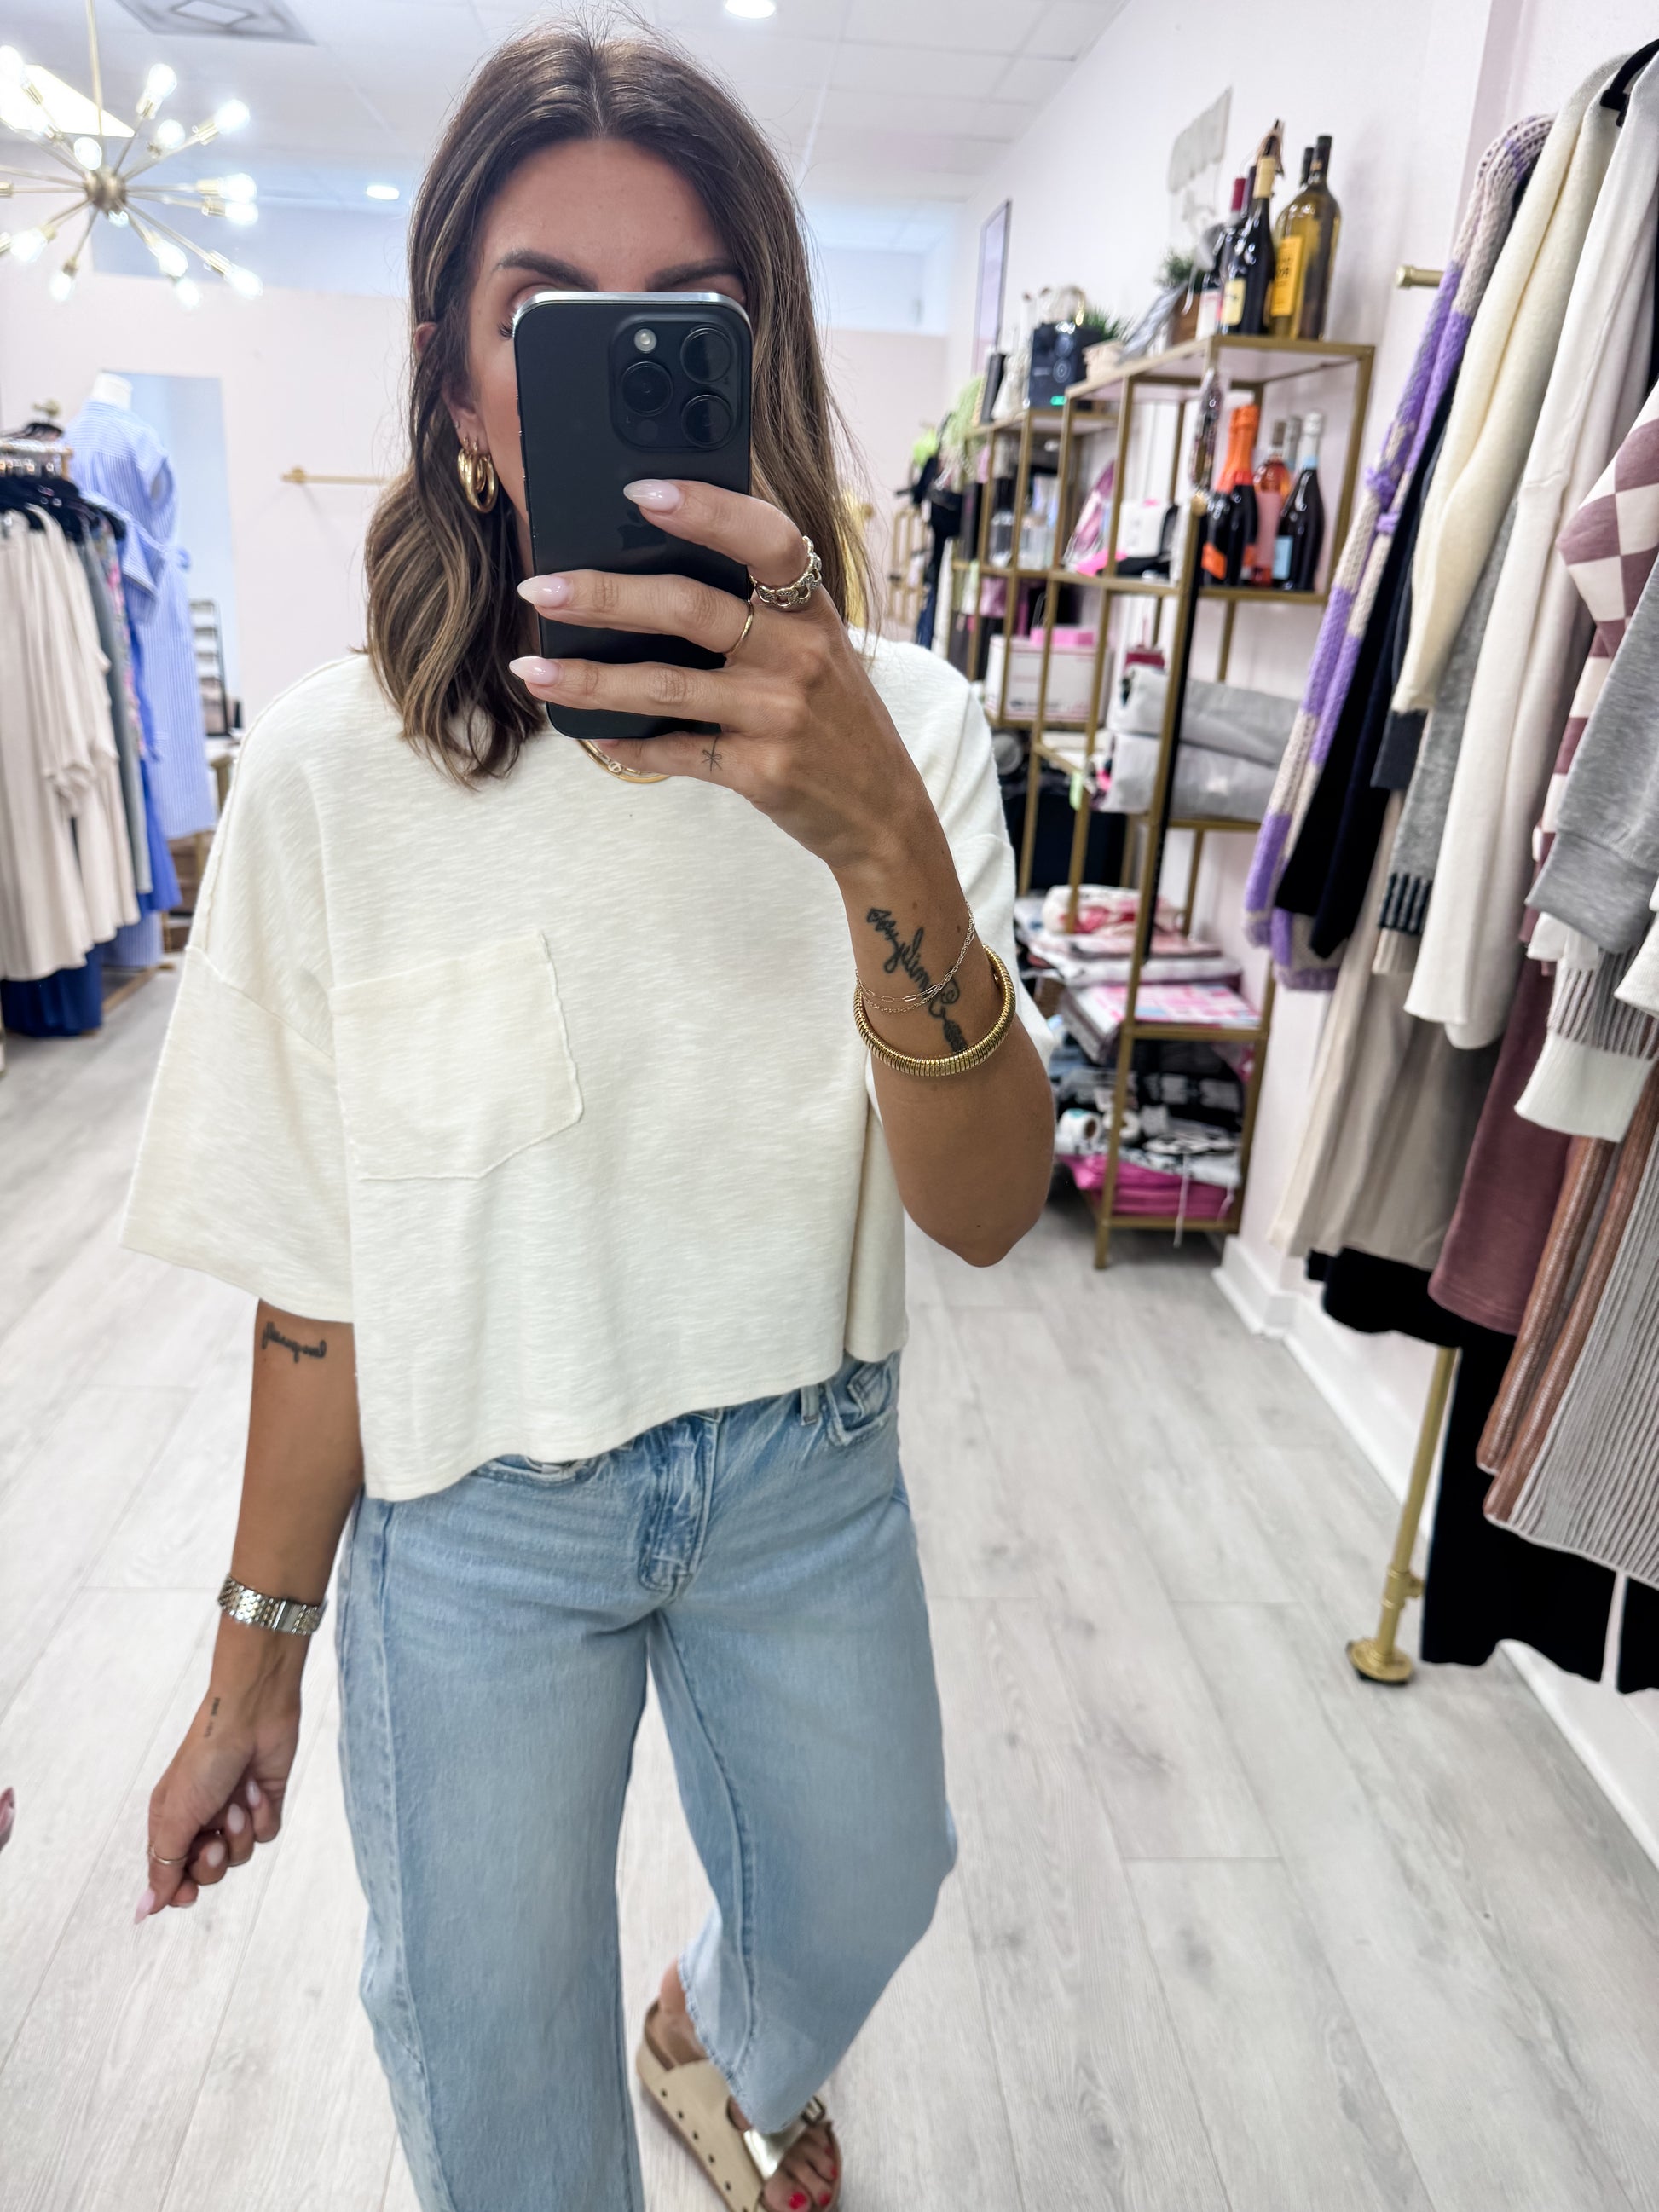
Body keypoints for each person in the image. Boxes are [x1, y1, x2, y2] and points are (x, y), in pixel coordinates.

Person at [123, 24, 1054, 2212]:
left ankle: (713, 2030)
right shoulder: (334, 773)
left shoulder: (910, 725)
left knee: (875, 1876)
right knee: (489, 2049)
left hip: (807, 1469)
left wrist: (877, 837)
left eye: (680, 319)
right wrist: (252, 1658)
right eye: (544, 319)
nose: (608, 369)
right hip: (478, 1521)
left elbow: (991, 1206)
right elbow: (319, 1279)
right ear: (460, 385)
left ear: (754, 361)